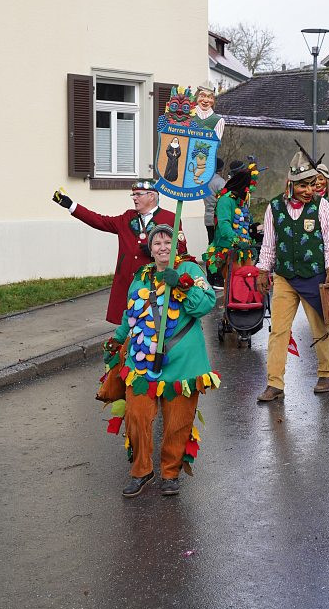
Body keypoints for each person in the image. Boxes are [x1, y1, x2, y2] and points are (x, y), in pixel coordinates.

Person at [98, 223, 219, 498]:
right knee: (137, 415)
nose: (163, 247)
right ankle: (141, 470)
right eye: (157, 243)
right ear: (150, 249)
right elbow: (130, 316)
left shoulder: (190, 269)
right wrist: (116, 340)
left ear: (178, 245)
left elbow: (205, 304)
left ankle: (170, 473)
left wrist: (182, 286)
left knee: (178, 421)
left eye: (169, 242)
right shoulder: (141, 277)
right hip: (142, 360)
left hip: (182, 361)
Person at [255, 151, 329, 402]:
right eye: (303, 185)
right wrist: (263, 270)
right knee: (278, 331)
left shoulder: (321, 205)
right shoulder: (274, 207)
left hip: (315, 276)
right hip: (284, 278)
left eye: (311, 185)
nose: (308, 191)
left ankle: (327, 373)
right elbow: (269, 243)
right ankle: (274, 383)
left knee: (320, 327)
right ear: (290, 184)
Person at [51, 179, 186, 323]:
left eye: (138, 194)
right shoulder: (128, 217)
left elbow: (182, 250)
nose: (134, 198)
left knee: (151, 322)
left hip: (153, 281)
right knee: (127, 322)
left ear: (151, 196)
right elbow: (100, 221)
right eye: (133, 195)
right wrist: (71, 206)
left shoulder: (170, 218)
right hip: (127, 280)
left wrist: (157, 251)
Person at [204, 158, 259, 282]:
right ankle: (215, 280)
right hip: (230, 250)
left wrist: (254, 227)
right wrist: (237, 240)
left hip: (244, 249)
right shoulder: (226, 199)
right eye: (248, 187)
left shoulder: (240, 199)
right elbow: (224, 226)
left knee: (248, 283)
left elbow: (245, 221)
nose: (249, 190)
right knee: (235, 283)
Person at [203, 158, 226, 287]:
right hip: (217, 220)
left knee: (210, 247)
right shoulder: (220, 182)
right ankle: (217, 277)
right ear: (221, 168)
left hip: (207, 218)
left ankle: (210, 277)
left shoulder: (206, 181)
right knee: (218, 248)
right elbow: (224, 200)